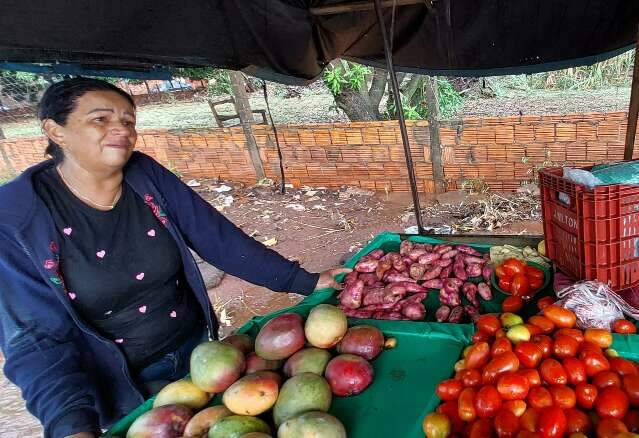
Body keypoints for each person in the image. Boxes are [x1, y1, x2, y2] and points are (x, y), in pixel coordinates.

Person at [0, 77, 349, 438]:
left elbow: (219, 240)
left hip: (200, 354)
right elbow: (32, 338)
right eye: (100, 119)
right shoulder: (15, 219)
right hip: (117, 382)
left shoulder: (144, 175)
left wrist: (304, 281)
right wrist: (71, 425)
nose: (121, 129)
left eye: (128, 120)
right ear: (55, 130)